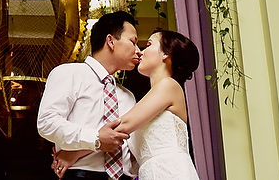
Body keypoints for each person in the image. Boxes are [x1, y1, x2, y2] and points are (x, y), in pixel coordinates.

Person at [38, 11, 141, 179]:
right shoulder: (69, 73)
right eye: (133, 42)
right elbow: (47, 122)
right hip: (81, 174)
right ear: (110, 41)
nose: (139, 51)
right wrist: (96, 139)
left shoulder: (128, 96)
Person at [105, 30, 201, 180]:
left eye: (148, 45)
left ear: (166, 54)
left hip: (172, 171)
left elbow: (122, 125)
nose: (140, 52)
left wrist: (74, 152)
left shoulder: (169, 85)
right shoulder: (152, 99)